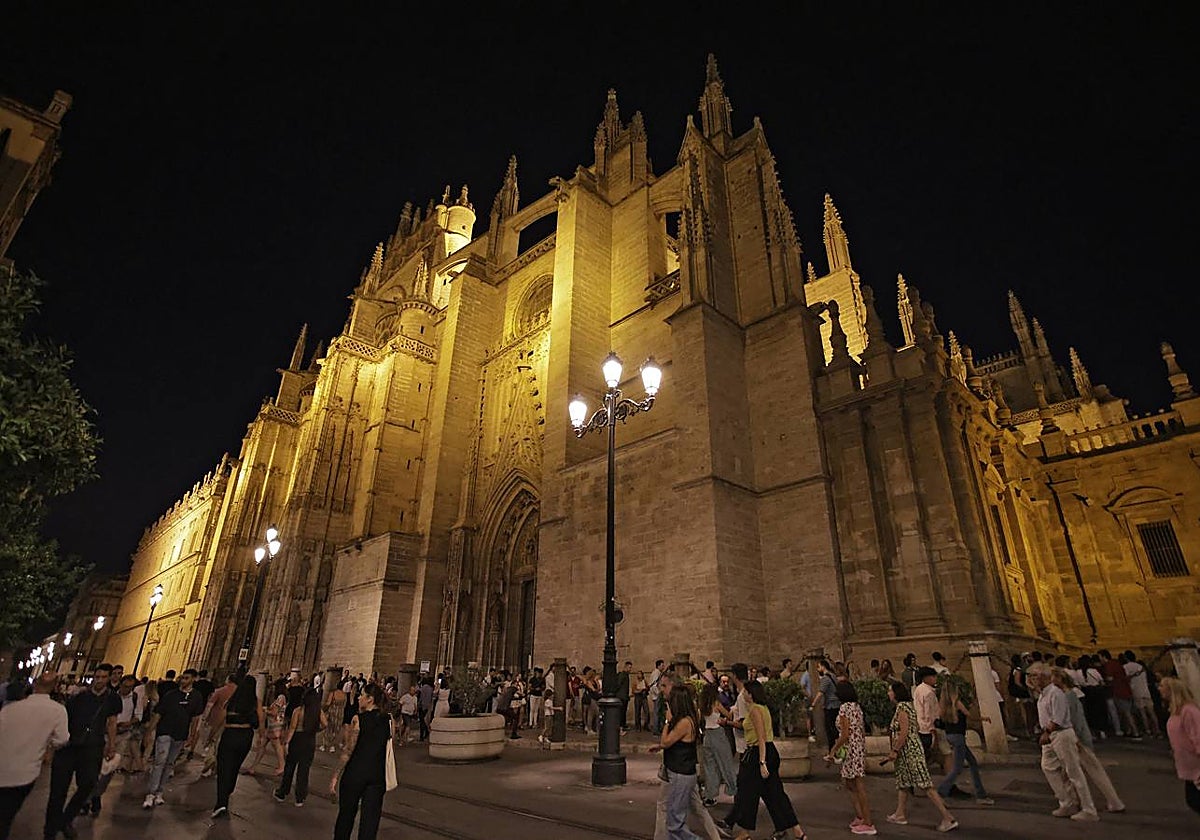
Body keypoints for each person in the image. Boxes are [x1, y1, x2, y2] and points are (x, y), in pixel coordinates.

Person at [720, 664, 807, 840]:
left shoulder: (755, 710)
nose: (743, 694)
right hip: (767, 751)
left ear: (751, 694)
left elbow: (760, 737)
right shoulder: (764, 708)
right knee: (774, 794)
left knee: (746, 793)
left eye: (746, 692)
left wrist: (762, 762)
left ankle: (744, 832)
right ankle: (796, 831)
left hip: (758, 753)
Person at [42, 663, 121, 839]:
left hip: (92, 748)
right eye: (97, 676)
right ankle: (50, 830)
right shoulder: (79, 697)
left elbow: (112, 722)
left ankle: (66, 819)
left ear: (109, 679)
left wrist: (112, 745)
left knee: (88, 784)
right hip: (69, 747)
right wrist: (51, 747)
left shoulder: (112, 699)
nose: (99, 680)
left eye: (103, 677)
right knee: (57, 791)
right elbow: (63, 721)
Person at [0, 672, 69, 840]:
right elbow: (62, 739)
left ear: (34, 684)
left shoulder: (10, 709)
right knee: (6, 816)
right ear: (55, 687)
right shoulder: (58, 711)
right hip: (25, 772)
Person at [883, 681, 957, 832]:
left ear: (896, 693)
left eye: (890, 691)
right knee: (903, 783)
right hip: (907, 752)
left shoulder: (902, 708)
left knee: (925, 784)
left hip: (909, 751)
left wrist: (894, 750)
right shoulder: (908, 706)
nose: (888, 694)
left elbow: (904, 732)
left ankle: (947, 817)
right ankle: (900, 814)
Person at [1028, 663, 1098, 821]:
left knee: (1073, 772)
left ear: (1044, 677)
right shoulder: (1043, 694)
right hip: (1051, 736)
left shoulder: (1055, 693)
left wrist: (1046, 733)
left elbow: (1058, 718)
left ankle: (1089, 809)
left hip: (1060, 734)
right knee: (1048, 767)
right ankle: (1067, 802)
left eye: (1034, 676)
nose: (1031, 679)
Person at [1051, 668, 1125, 813]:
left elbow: (1075, 720)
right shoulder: (1071, 693)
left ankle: (1110, 802)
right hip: (1078, 737)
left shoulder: (1067, 696)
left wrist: (1077, 739)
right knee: (1081, 772)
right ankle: (1109, 801)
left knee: (1089, 771)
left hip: (1077, 739)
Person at [331, 683, 392, 840]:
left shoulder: (358, 719)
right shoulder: (388, 720)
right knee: (370, 824)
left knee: (346, 817)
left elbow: (348, 751)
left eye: (361, 695)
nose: (358, 697)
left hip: (355, 774)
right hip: (377, 776)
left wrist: (335, 776)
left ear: (370, 699)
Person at [143, 666, 204, 809]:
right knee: (160, 761)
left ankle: (159, 791)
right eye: (182, 677)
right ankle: (151, 793)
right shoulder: (171, 695)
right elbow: (158, 713)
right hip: (165, 731)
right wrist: (149, 732)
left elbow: (195, 718)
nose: (183, 680)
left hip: (180, 733)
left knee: (169, 764)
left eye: (187, 678)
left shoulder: (196, 697)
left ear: (193, 679)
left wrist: (192, 735)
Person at [653, 680, 702, 840]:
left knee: (675, 823)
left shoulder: (684, 722)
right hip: (678, 772)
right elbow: (672, 743)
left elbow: (666, 742)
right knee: (674, 819)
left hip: (681, 773)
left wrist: (667, 721)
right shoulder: (686, 720)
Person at [211, 675, 264, 818]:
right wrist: (261, 736)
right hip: (246, 736)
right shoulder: (255, 702)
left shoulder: (232, 700)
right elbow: (260, 719)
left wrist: (212, 735)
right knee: (234, 767)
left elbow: (221, 719)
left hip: (230, 734)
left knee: (224, 768)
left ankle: (221, 802)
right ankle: (228, 790)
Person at [87, 674, 139, 816]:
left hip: (123, 735)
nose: (127, 689)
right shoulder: (111, 698)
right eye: (125, 686)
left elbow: (138, 715)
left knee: (109, 769)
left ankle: (96, 795)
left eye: (130, 687)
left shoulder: (135, 698)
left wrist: (129, 723)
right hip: (105, 734)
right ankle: (89, 798)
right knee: (95, 767)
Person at [826, 680, 873, 835]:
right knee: (850, 782)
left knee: (858, 785)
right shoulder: (857, 707)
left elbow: (845, 734)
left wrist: (833, 750)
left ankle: (867, 821)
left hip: (851, 748)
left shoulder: (845, 708)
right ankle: (860, 815)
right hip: (857, 747)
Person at [935, 680, 993, 804]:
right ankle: (941, 792)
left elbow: (940, 720)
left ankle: (981, 793)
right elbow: (969, 716)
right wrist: (983, 718)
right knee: (957, 768)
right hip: (959, 737)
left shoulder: (942, 705)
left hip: (950, 735)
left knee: (973, 763)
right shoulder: (957, 704)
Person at [275, 686, 326, 806]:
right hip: (309, 740)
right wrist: (315, 730)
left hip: (297, 739)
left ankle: (283, 792)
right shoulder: (318, 711)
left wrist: (287, 742)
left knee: (290, 767)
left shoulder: (298, 710)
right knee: (304, 770)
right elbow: (325, 724)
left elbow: (292, 728)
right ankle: (300, 797)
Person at [1160, 676, 1200, 815]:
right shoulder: (1176, 711)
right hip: (1189, 765)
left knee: (1195, 800)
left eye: (1162, 686)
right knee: (1193, 800)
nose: (1159, 688)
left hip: (1196, 765)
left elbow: (1197, 735)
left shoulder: (1189, 711)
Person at [698, 681, 737, 806]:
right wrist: (732, 711)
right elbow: (728, 716)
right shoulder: (716, 703)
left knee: (710, 768)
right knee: (726, 763)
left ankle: (710, 796)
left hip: (707, 736)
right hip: (717, 734)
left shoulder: (702, 706)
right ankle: (733, 789)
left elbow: (700, 721)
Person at [246, 677, 288, 776]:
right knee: (262, 746)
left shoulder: (281, 697)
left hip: (275, 725)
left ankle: (282, 766)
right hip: (272, 725)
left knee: (277, 746)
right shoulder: (280, 698)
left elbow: (274, 712)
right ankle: (253, 767)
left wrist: (264, 710)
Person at [199, 674, 238, 778]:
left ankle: (208, 766)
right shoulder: (239, 692)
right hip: (231, 723)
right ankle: (217, 769)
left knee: (212, 744)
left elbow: (209, 705)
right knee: (223, 747)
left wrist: (204, 718)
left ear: (228, 679)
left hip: (216, 720)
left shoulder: (220, 691)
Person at [1122, 651, 1161, 738]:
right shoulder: (1141, 666)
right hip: (1146, 690)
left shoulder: (1125, 667)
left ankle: (1148, 730)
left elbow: (1126, 679)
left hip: (1136, 691)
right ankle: (1157, 730)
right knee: (1152, 712)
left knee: (1142, 712)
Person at [810, 659, 841, 750]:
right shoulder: (833, 676)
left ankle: (832, 749)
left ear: (823, 667)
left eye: (819, 667)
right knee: (835, 727)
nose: (818, 669)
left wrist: (813, 704)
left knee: (830, 729)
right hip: (837, 704)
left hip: (830, 706)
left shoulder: (825, 679)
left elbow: (820, 692)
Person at [912, 667, 939, 765]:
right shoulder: (928, 693)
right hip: (927, 728)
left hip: (920, 725)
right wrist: (932, 729)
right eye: (933, 676)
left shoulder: (918, 689)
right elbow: (929, 712)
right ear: (926, 678)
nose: (935, 678)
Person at [323, 679, 348, 752]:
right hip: (340, 713)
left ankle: (325, 745)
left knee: (328, 728)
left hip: (332, 712)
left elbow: (328, 703)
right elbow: (345, 705)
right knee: (336, 729)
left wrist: (324, 709)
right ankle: (332, 746)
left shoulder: (333, 693)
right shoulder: (344, 695)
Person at [648, 659, 665, 735]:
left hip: (656, 695)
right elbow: (654, 685)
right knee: (657, 712)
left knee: (658, 712)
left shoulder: (657, 673)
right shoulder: (656, 673)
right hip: (656, 695)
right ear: (658, 666)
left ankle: (658, 728)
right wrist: (659, 693)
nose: (663, 667)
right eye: (662, 665)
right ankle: (656, 729)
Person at [616, 662, 632, 733]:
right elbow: (618, 684)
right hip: (621, 697)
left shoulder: (626, 675)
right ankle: (620, 727)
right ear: (625, 667)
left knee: (623, 712)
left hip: (624, 697)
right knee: (621, 713)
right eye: (629, 667)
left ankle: (623, 725)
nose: (630, 669)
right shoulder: (622, 675)